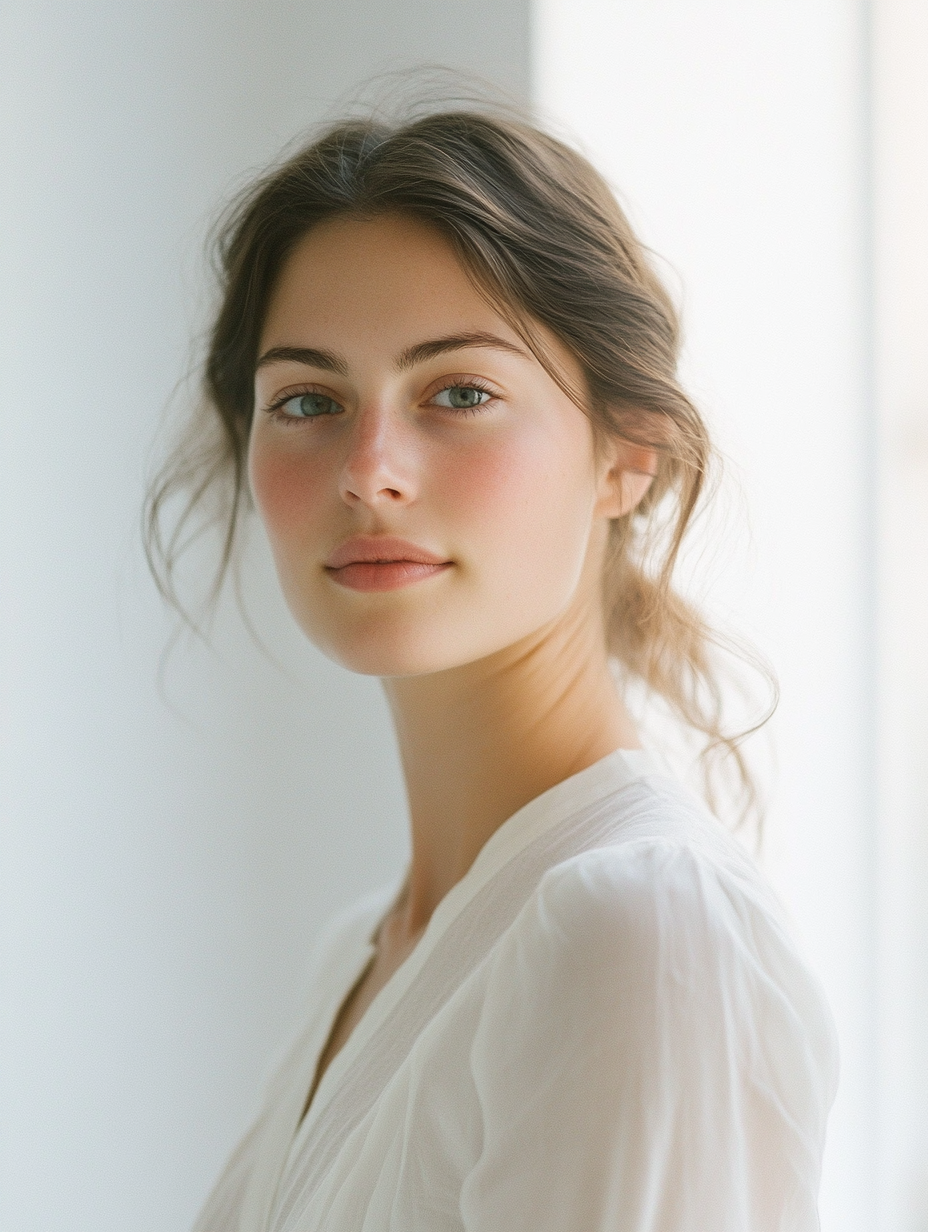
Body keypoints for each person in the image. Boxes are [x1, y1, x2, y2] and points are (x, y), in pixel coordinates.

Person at [147, 106, 839, 1231]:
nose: (370, 472)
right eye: (308, 401)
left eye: (458, 392)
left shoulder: (640, 929)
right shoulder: (368, 952)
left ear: (627, 452)